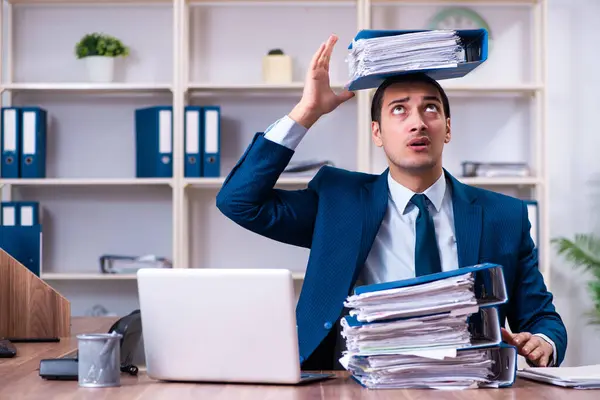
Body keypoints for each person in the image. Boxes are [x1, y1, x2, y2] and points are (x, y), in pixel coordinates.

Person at [216, 34, 567, 370]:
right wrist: (307, 112)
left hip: (465, 382)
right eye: (399, 110)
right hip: (355, 380)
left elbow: (541, 317)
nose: (417, 123)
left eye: (430, 109)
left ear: (446, 128)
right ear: (377, 133)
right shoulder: (338, 202)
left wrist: (543, 341)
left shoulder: (503, 215)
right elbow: (239, 201)